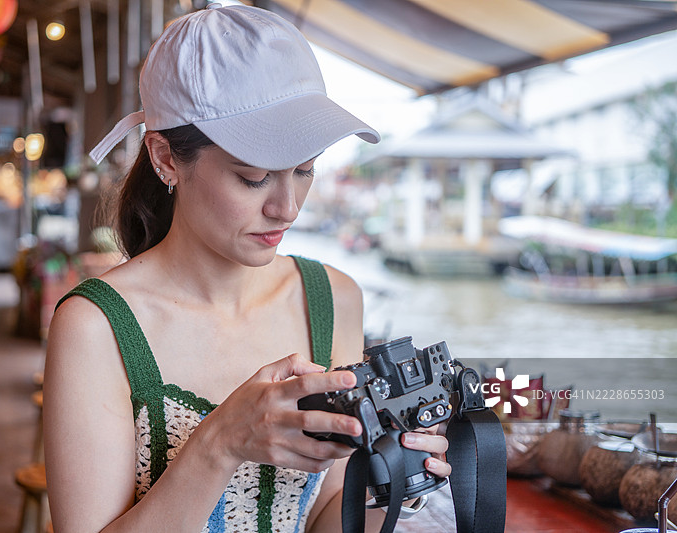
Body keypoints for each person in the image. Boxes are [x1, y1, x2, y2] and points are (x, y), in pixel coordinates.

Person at [43, 4, 451, 532]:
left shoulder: (333, 299)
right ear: (165, 158)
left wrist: (392, 485)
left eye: (305, 170)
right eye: (254, 177)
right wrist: (221, 442)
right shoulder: (95, 326)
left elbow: (326, 516)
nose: (288, 208)